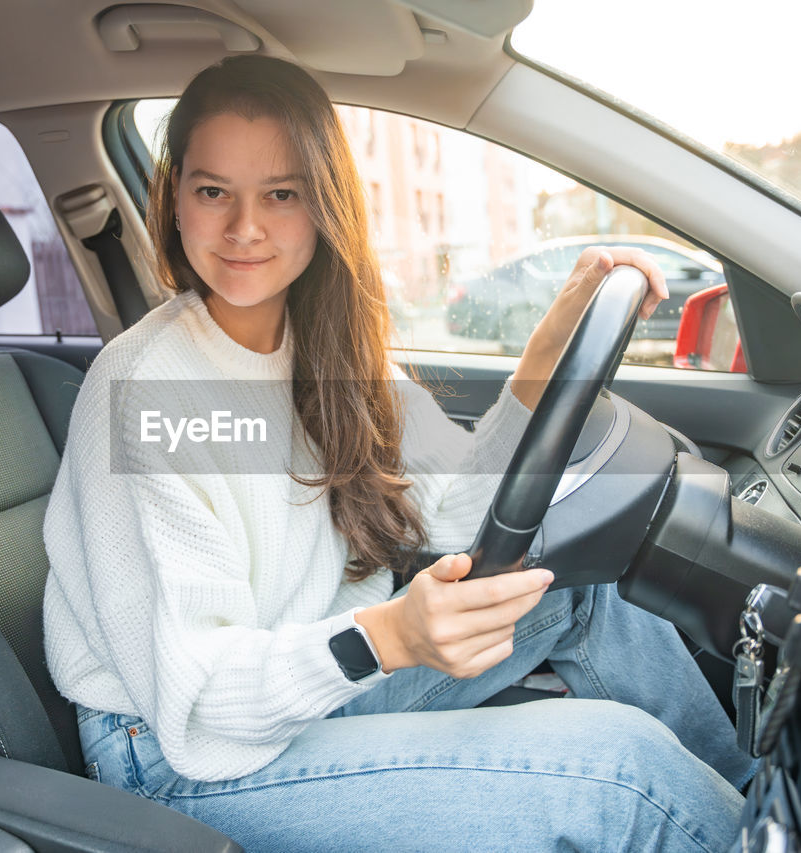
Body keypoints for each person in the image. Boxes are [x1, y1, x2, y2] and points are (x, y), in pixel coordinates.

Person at [43, 55, 752, 851]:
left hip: (315, 681)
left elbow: (451, 505)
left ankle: (756, 806)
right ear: (175, 200)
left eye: (282, 193)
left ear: (324, 206)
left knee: (587, 582)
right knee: (621, 773)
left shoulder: (324, 347)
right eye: (214, 192)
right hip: (179, 752)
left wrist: (543, 359)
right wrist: (390, 636)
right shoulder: (146, 391)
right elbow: (200, 703)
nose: (246, 227)